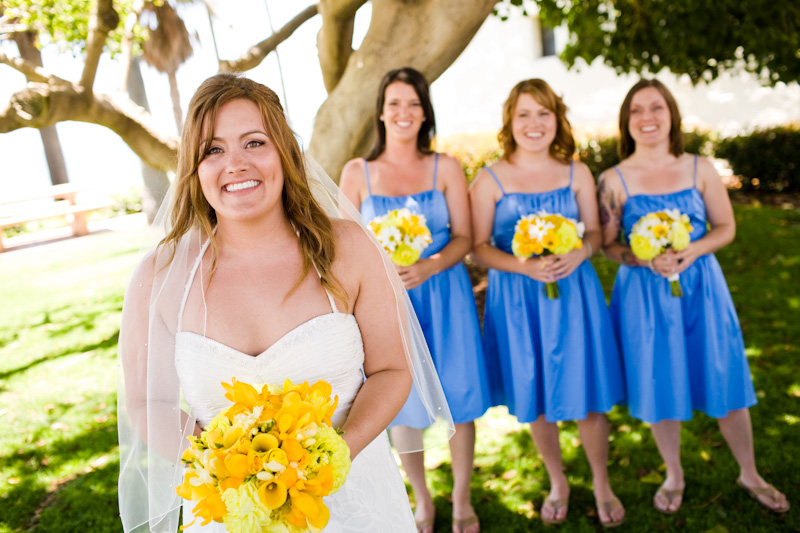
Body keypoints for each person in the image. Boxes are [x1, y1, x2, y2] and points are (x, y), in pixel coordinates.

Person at [117, 73, 454, 533]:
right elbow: (146, 402)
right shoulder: (157, 277)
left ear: (286, 152)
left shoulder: (350, 249)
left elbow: (393, 370)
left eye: (254, 142)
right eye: (213, 150)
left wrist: (333, 456)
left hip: (356, 505)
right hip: (232, 514)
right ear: (194, 168)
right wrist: (226, 469)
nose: (234, 164)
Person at [597, 78, 790, 515]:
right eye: (637, 111)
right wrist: (644, 260)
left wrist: (691, 251)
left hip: (702, 288)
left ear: (671, 115)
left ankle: (750, 472)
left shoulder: (699, 168)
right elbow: (608, 244)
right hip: (644, 296)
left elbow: (726, 227)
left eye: (656, 108)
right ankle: (673, 473)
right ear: (626, 122)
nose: (647, 118)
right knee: (659, 380)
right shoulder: (613, 179)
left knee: (725, 374)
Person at [469, 79, 626, 528]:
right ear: (510, 122)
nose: (534, 123)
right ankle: (557, 481)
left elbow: (594, 233)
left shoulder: (576, 172)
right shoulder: (489, 178)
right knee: (535, 394)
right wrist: (524, 267)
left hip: (574, 292)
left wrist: (579, 251)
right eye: (524, 114)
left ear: (557, 119)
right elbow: (479, 246)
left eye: (544, 113)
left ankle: (601, 482)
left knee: (590, 394)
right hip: (518, 300)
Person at [340, 67, 490, 533]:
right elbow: (345, 246)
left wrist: (429, 265)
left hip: (446, 295)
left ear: (424, 112)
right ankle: (422, 500)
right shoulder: (357, 172)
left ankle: (462, 498)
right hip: (387, 306)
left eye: (413, 104)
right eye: (395, 103)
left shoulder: (444, 166)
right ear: (381, 112)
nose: (403, 113)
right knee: (400, 402)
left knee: (459, 395)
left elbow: (464, 237)